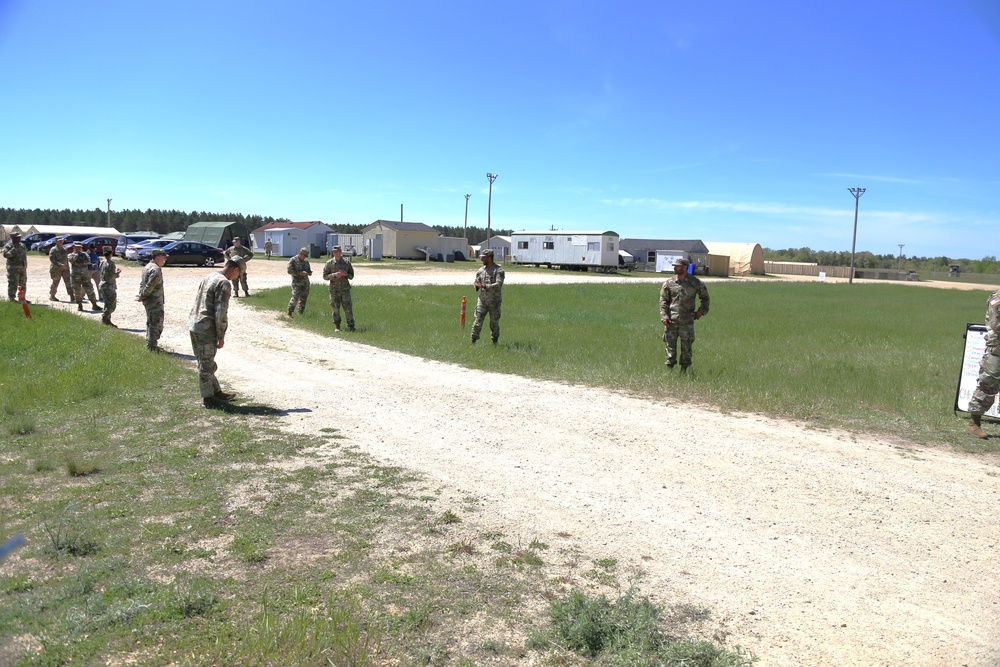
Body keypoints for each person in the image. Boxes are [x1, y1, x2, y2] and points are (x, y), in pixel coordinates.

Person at [189, 257, 245, 409]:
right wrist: (221, 335)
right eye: (238, 274)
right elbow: (221, 312)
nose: (237, 277)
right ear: (235, 269)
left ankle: (216, 391)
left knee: (205, 361)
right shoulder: (224, 283)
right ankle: (208, 399)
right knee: (206, 365)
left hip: (195, 323)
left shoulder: (210, 276)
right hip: (206, 328)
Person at [659, 257, 710, 373]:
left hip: (687, 321)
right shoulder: (669, 283)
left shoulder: (695, 282)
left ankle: (684, 371)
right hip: (671, 321)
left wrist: (701, 311)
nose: (675, 268)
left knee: (686, 347)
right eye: (675, 266)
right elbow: (663, 301)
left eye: (678, 266)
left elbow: (705, 298)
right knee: (670, 346)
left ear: (685, 268)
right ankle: (669, 370)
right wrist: (664, 316)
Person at [967, 289, 1000, 438]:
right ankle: (974, 424)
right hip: (997, 350)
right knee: (988, 385)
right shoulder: (997, 298)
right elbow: (996, 324)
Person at [471, 249, 505, 345]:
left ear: (489, 258)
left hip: (494, 302)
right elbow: (476, 282)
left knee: (494, 323)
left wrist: (485, 286)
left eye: (484, 257)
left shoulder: (499, 270)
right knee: (477, 321)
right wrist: (476, 285)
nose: (482, 259)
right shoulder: (481, 270)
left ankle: (495, 342)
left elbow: (498, 284)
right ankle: (473, 342)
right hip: (482, 301)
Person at [137, 249, 168, 351]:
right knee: (156, 323)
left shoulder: (147, 267)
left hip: (149, 300)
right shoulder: (155, 269)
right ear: (157, 257)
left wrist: (141, 295)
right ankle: (152, 346)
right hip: (154, 300)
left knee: (151, 321)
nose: (165, 259)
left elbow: (142, 284)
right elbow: (150, 285)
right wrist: (143, 295)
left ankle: (151, 344)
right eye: (164, 257)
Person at [322, 245, 355, 331]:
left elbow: (351, 276)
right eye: (333, 252)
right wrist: (334, 275)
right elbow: (324, 276)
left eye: (337, 251)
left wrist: (346, 274)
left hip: (345, 290)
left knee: (348, 308)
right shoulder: (329, 263)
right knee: (335, 308)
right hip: (334, 290)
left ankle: (351, 326)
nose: (335, 253)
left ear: (340, 252)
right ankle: (337, 326)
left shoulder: (346, 263)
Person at [69, 241, 100, 311]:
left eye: (80, 247)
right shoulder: (71, 255)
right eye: (77, 247)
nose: (79, 248)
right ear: (74, 247)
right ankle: (80, 304)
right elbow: (73, 261)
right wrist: (81, 261)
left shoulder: (85, 254)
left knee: (90, 289)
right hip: (75, 276)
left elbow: (88, 261)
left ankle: (94, 304)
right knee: (77, 290)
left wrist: (80, 262)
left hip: (85, 275)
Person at [97, 246, 121, 327]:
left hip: (102, 285)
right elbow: (110, 277)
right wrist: (117, 273)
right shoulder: (111, 263)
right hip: (108, 286)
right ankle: (104, 319)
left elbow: (101, 272)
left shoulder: (102, 262)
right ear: (111, 253)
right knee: (111, 306)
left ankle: (107, 321)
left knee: (107, 304)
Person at [286, 247, 312, 316]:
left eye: (306, 256)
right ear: (300, 253)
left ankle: (300, 313)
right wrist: (300, 273)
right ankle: (289, 312)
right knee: (295, 297)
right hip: (297, 282)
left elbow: (308, 269)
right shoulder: (293, 260)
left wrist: (309, 272)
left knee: (304, 298)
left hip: (305, 282)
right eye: (304, 256)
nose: (304, 257)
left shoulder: (306, 261)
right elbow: (289, 271)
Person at [3, 232, 28, 302]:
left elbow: (24, 256)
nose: (19, 238)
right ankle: (12, 298)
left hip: (22, 268)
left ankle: (22, 298)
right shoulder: (9, 246)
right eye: (17, 237)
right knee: (13, 283)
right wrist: (13, 250)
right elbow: (5, 255)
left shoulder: (22, 245)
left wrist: (25, 265)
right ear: (13, 238)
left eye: (19, 237)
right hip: (13, 268)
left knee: (23, 283)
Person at [48, 236, 73, 301]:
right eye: (59, 241)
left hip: (65, 269)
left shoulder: (64, 249)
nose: (61, 242)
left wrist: (67, 267)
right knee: (55, 282)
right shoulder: (53, 249)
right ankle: (52, 295)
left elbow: (66, 259)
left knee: (68, 282)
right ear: (56, 242)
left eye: (62, 241)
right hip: (56, 269)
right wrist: (59, 264)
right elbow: (52, 259)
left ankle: (72, 295)